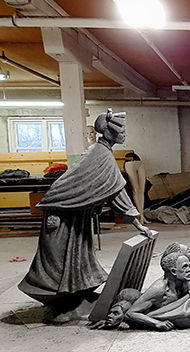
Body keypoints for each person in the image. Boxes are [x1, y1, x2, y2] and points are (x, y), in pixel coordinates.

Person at [18, 109, 154, 324]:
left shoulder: (100, 152)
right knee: (58, 264)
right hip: (62, 217)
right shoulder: (100, 155)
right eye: (123, 130)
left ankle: (79, 296)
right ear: (110, 132)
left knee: (78, 258)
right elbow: (115, 192)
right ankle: (64, 305)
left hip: (74, 217)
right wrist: (138, 223)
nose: (125, 134)